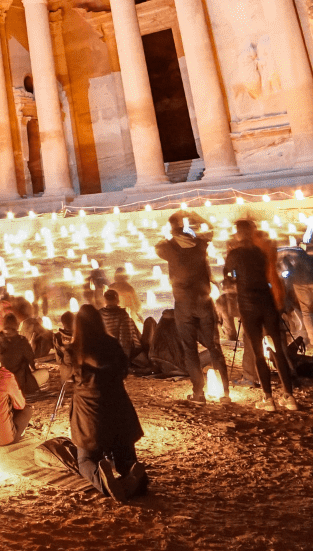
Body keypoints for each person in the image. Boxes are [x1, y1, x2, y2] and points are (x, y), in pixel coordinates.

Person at [65, 305, 147, 500]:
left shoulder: (74, 350)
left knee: (85, 460)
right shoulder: (112, 344)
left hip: (90, 415)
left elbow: (66, 379)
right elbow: (124, 370)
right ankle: (134, 477)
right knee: (125, 459)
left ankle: (104, 481)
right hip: (119, 412)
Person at [224, 220, 298, 410]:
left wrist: (234, 279)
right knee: (278, 350)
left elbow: (229, 277)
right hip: (267, 303)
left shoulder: (234, 254)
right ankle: (289, 397)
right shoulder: (260, 252)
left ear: (239, 234)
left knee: (258, 353)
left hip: (248, 306)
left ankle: (268, 398)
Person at [154, 212, 227, 403]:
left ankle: (199, 393)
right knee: (214, 346)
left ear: (172, 229)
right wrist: (195, 216)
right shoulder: (200, 245)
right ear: (186, 228)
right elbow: (210, 230)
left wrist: (169, 232)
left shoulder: (169, 247)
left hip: (183, 304)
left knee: (190, 349)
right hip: (203, 302)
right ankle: (225, 394)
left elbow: (158, 246)